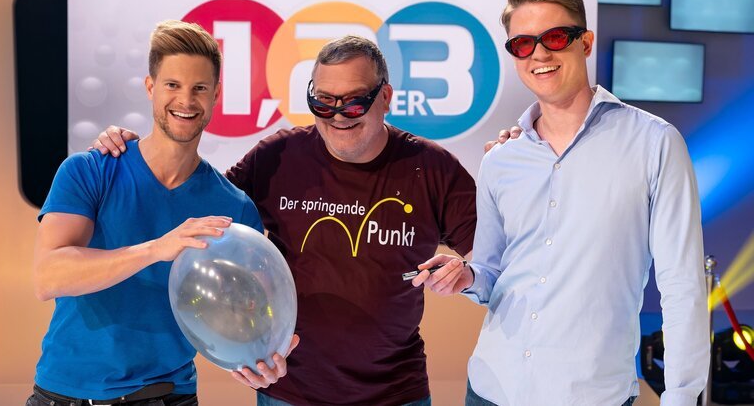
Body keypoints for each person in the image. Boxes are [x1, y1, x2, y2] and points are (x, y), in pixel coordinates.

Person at [92, 35, 477, 406]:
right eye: (323, 102)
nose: (338, 116)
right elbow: (195, 211)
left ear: (386, 97)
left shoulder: (431, 169)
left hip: (397, 393)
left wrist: (467, 271)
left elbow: (496, 258)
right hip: (290, 390)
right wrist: (134, 149)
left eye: (354, 103)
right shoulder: (277, 157)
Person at [413, 0, 710, 406]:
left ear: (585, 42)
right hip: (491, 388)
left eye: (554, 37)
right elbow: (495, 271)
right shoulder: (501, 159)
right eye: (523, 44)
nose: (540, 54)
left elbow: (682, 285)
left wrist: (680, 397)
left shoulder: (654, 143)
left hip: (591, 394)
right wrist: (468, 275)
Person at [28, 20, 296, 406]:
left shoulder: (234, 209)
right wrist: (156, 248)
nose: (186, 101)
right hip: (64, 394)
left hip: (168, 396)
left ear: (216, 94)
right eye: (172, 85)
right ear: (151, 87)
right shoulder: (90, 170)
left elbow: (245, 315)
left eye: (199, 88)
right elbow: (47, 276)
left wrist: (262, 358)